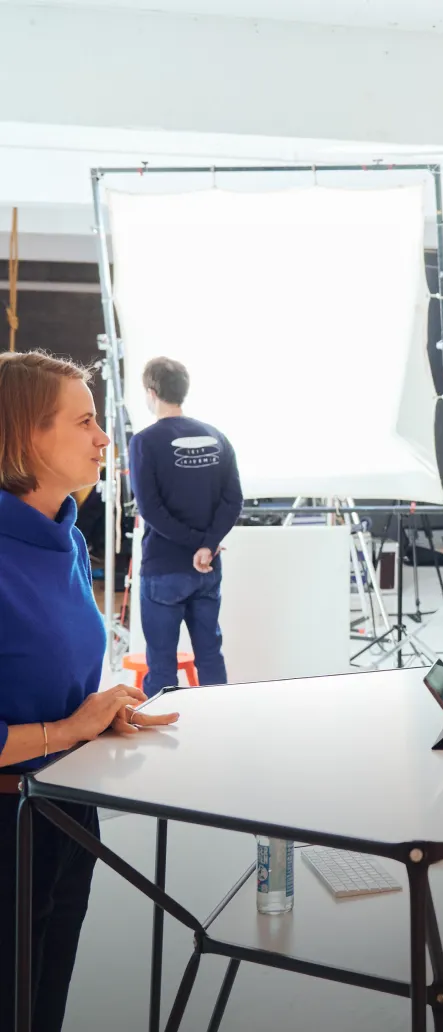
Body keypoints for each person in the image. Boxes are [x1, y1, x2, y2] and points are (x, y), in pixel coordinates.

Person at [0, 351, 179, 1031]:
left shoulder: (65, 538)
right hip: (9, 829)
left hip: (63, 815)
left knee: (44, 1006)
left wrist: (96, 713)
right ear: (24, 438)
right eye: (85, 421)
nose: (104, 437)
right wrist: (68, 729)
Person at [128, 357, 243, 696]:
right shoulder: (216, 436)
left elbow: (150, 509)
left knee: (162, 664)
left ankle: (166, 744)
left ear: (151, 392)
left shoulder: (144, 442)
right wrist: (206, 545)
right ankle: (220, 733)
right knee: (209, 655)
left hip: (164, 568)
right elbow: (233, 500)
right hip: (207, 568)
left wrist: (196, 543)